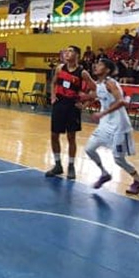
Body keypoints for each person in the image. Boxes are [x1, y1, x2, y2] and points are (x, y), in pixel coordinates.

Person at [83, 59, 139, 195]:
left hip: (119, 125)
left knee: (118, 159)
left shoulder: (111, 83)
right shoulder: (99, 84)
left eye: (100, 64)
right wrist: (81, 100)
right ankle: (104, 173)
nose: (96, 66)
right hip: (105, 125)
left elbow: (121, 101)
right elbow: (96, 95)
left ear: (107, 70)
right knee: (89, 149)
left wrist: (102, 113)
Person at [45, 45, 94, 180]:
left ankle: (71, 166)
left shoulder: (82, 73)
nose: (67, 53)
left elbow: (95, 89)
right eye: (66, 51)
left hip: (72, 106)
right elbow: (53, 83)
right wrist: (53, 96)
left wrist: (85, 105)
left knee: (71, 137)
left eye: (70, 51)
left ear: (77, 55)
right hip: (59, 104)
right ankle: (58, 165)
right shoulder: (60, 68)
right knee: (54, 135)